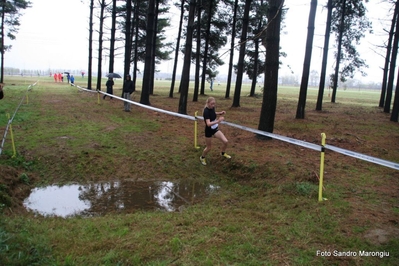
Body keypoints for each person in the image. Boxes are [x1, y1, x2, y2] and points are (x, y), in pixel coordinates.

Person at [199, 97, 231, 166]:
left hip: (215, 129)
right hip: (209, 130)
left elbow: (213, 113)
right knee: (209, 148)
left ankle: (222, 153)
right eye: (212, 104)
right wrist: (218, 121)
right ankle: (202, 157)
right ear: (208, 103)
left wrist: (220, 113)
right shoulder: (206, 111)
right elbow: (208, 124)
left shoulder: (212, 108)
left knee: (226, 141)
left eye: (214, 104)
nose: (213, 105)